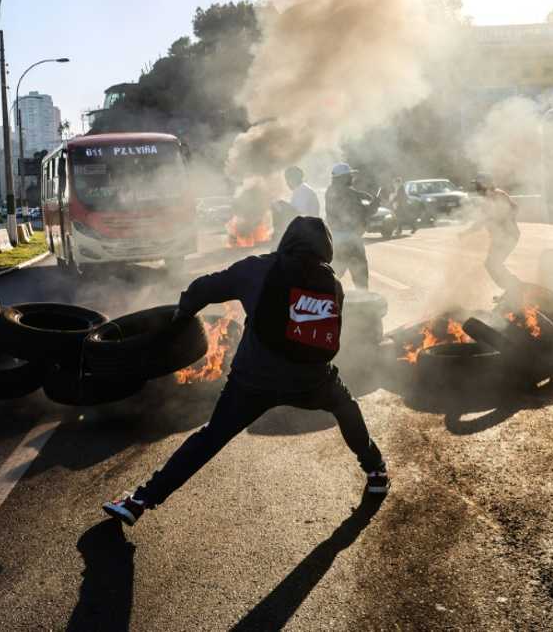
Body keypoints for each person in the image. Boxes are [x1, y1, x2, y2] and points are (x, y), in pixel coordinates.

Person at [102, 216, 387, 526]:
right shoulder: (333, 284)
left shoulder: (259, 267)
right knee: (346, 408)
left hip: (253, 381)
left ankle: (141, 500)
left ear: (286, 240)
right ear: (326, 248)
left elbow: (204, 288)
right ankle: (376, 472)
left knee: (209, 439)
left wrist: (183, 313)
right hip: (311, 380)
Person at [462, 173, 521, 298]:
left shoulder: (497, 196)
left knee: (492, 264)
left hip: (507, 236)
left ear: (484, 185)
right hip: (502, 237)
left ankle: (514, 288)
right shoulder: (491, 197)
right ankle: (512, 289)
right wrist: (467, 232)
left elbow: (514, 208)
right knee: (493, 264)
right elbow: (484, 220)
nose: (476, 189)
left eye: (478, 185)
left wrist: (503, 221)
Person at [324, 162, 378, 289]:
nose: (351, 178)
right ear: (342, 178)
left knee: (334, 274)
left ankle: (323, 299)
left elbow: (355, 195)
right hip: (351, 239)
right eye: (349, 176)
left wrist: (362, 196)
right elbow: (361, 213)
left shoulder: (331, 191)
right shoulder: (348, 193)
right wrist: (374, 205)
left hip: (337, 239)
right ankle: (363, 303)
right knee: (360, 277)